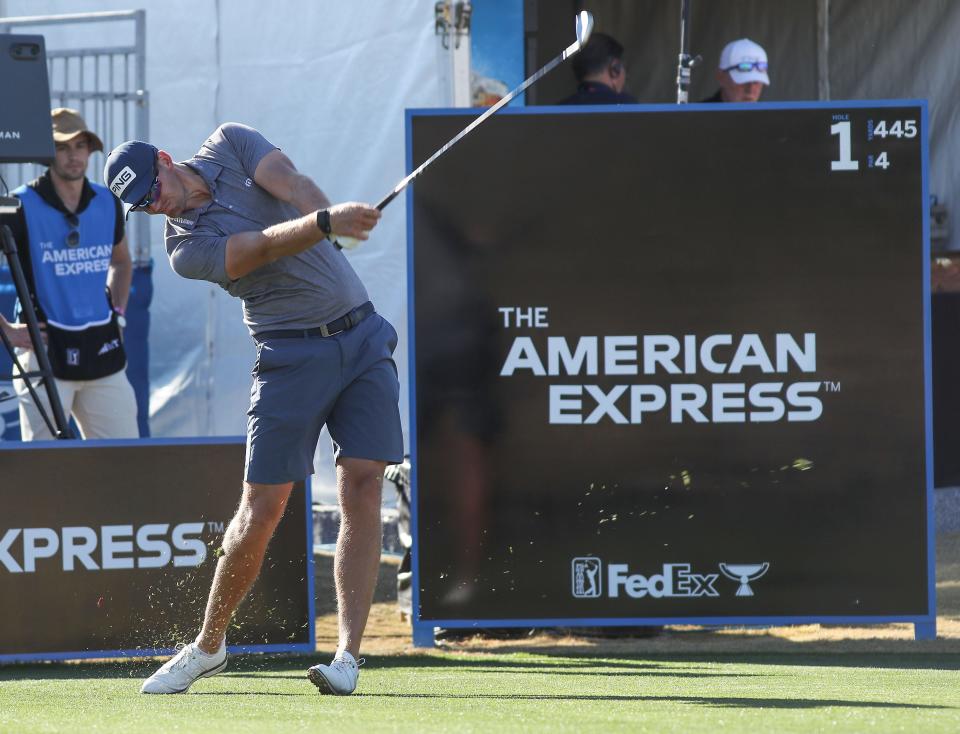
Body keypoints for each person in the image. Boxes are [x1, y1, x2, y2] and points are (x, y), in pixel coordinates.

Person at [103, 123, 402, 696]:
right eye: (140, 203)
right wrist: (324, 224)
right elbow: (259, 248)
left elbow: (291, 184)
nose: (153, 202)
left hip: (362, 336)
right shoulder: (184, 251)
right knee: (262, 509)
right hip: (288, 355)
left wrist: (333, 220)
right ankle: (209, 645)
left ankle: (347, 658)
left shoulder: (230, 143)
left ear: (165, 159)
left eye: (152, 186)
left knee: (363, 486)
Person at [0, 108, 137, 440]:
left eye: (80, 145)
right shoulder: (17, 205)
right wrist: (7, 331)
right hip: (43, 353)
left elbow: (121, 262)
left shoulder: (107, 200)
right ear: (47, 153)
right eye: (62, 147)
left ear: (90, 150)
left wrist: (118, 315)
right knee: (45, 472)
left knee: (127, 465)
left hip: (103, 353)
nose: (73, 156)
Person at [558, 32, 637, 105]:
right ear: (615, 69)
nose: (626, 77)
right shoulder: (627, 105)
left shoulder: (561, 108)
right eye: (624, 68)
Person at [702, 38, 770, 103]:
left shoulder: (770, 114)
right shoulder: (699, 114)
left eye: (756, 82)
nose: (750, 90)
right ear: (721, 77)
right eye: (744, 82)